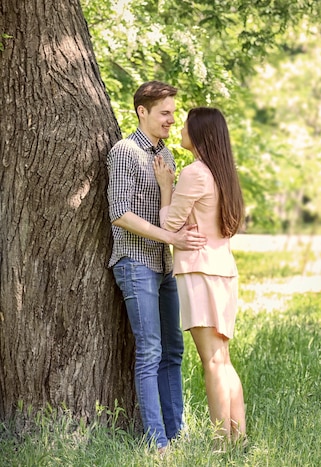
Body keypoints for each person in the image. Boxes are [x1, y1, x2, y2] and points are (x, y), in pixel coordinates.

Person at [106, 81, 207, 453]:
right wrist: (172, 240)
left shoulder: (167, 155)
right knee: (149, 350)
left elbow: (170, 219)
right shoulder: (125, 152)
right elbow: (120, 214)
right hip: (136, 263)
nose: (171, 119)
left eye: (172, 113)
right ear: (142, 112)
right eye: (165, 113)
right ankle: (157, 441)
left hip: (165, 265)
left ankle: (176, 433)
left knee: (173, 350)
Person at [152, 107, 246, 447]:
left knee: (211, 361)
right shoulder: (223, 173)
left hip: (200, 270)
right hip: (222, 270)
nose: (179, 126)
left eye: (186, 123)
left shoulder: (195, 173)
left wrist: (166, 186)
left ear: (201, 133)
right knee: (222, 359)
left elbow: (168, 224)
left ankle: (222, 442)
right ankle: (237, 439)